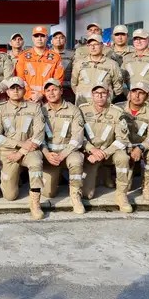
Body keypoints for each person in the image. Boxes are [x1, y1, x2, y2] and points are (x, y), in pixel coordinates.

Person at [0, 77, 46, 220]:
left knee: (36, 163)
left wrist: (22, 151)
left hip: (30, 151)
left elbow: (39, 134)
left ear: (24, 90)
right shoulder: (0, 108)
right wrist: (20, 144)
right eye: (12, 88)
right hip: (8, 153)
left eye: (19, 88)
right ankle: (13, 180)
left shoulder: (34, 107)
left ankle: (35, 203)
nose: (15, 91)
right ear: (7, 92)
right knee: (10, 196)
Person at [78, 83, 132, 213]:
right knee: (87, 194)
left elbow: (122, 139)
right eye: (97, 93)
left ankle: (121, 195)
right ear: (92, 95)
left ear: (108, 94)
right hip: (90, 154)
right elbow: (77, 135)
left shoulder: (117, 112)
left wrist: (104, 153)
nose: (100, 96)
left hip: (109, 152)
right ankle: (101, 174)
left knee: (123, 158)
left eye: (103, 93)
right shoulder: (82, 110)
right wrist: (91, 150)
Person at [40, 79, 86, 214]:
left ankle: (75, 196)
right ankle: (58, 177)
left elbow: (77, 137)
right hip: (49, 154)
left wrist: (63, 154)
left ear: (61, 91)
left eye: (54, 89)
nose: (51, 93)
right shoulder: (40, 110)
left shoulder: (73, 110)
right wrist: (47, 154)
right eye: (48, 90)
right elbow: (37, 136)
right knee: (49, 193)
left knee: (76, 161)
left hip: (68, 152)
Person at [116, 82, 149, 202]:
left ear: (147, 96)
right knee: (128, 185)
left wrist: (141, 147)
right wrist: (128, 148)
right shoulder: (118, 108)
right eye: (134, 92)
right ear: (129, 94)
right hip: (123, 145)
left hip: (143, 146)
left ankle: (147, 185)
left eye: (141, 93)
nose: (137, 96)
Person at [71, 34, 124, 105]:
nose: (93, 47)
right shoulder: (79, 64)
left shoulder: (112, 64)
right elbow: (74, 84)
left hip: (104, 106)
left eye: (96, 44)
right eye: (90, 45)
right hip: (83, 105)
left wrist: (108, 97)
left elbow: (118, 87)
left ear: (102, 45)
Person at [16, 26, 64, 103]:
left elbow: (58, 81)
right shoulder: (23, 56)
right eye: (36, 36)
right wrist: (30, 95)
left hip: (48, 100)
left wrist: (42, 94)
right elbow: (20, 79)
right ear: (32, 38)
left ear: (47, 38)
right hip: (28, 100)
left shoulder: (56, 57)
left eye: (42, 36)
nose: (39, 38)